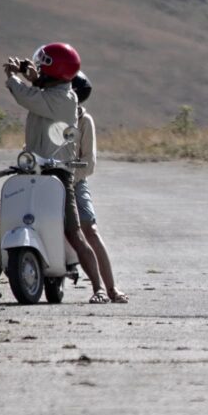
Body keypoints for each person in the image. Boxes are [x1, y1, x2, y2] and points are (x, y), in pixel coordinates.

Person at [0, 42, 110, 305]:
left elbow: (28, 97)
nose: (38, 68)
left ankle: (99, 288)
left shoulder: (62, 98)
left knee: (75, 231)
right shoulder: (54, 92)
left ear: (55, 70)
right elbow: (39, 91)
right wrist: (33, 76)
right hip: (31, 170)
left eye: (43, 64)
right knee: (7, 227)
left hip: (57, 174)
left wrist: (14, 77)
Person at [71, 72, 128, 303]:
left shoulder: (84, 121)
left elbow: (89, 164)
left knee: (90, 229)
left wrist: (68, 176)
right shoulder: (43, 116)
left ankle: (111, 289)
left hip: (73, 182)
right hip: (43, 181)